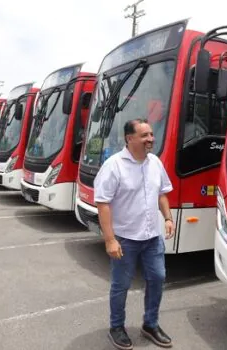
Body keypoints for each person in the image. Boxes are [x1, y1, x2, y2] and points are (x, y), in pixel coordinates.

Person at [94, 118, 175, 349]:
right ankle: (116, 327)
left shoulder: (155, 163)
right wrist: (110, 240)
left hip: (152, 238)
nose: (151, 139)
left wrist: (168, 218)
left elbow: (161, 193)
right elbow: (103, 203)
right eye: (145, 135)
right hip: (125, 239)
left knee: (157, 278)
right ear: (130, 139)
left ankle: (150, 324)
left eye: (151, 134)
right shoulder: (114, 165)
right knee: (121, 285)